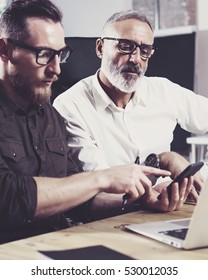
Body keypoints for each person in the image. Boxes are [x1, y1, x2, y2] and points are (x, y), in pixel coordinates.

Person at [0, 0, 192, 244]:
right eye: (44, 54)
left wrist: (137, 201)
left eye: (60, 55)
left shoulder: (49, 117)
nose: (56, 69)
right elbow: (10, 198)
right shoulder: (67, 106)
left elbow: (78, 202)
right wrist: (104, 178)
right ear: (5, 50)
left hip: (61, 243)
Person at [53, 9, 206, 196]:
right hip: (111, 218)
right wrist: (162, 160)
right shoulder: (69, 106)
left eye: (145, 51)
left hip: (168, 209)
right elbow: (100, 185)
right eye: (125, 46)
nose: (135, 59)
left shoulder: (163, 90)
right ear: (100, 48)